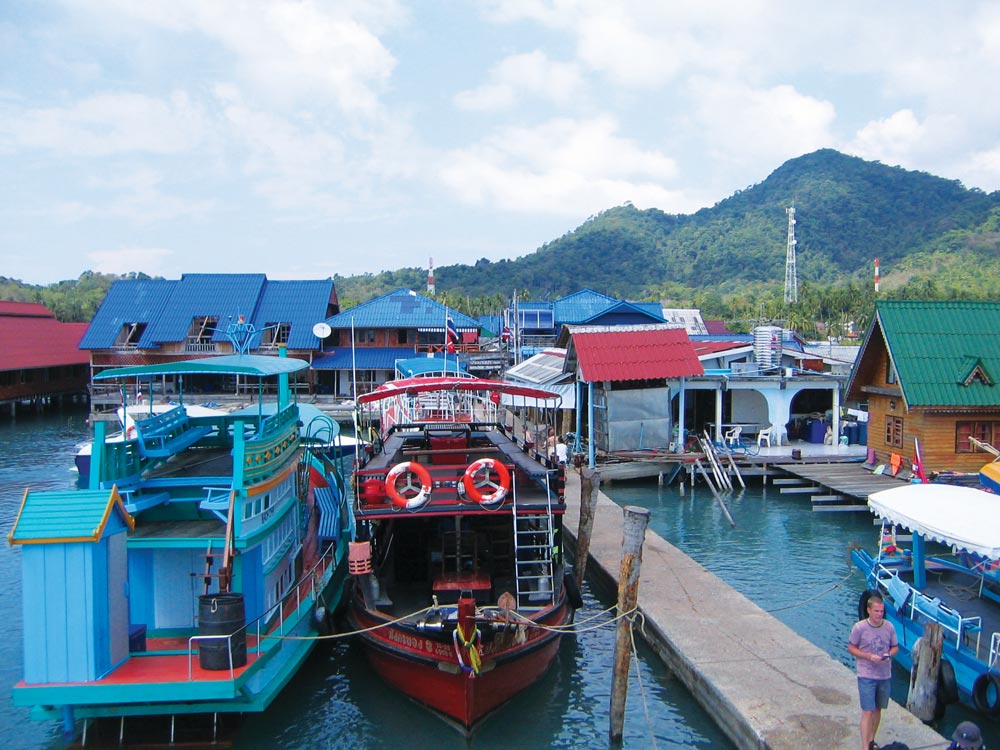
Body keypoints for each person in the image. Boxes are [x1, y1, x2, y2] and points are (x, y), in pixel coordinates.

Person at [848, 591, 898, 750]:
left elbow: (895, 647)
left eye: (881, 611)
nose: (879, 614)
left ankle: (871, 740)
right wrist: (868, 656)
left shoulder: (889, 627)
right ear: (868, 610)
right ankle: (865, 746)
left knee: (878, 709)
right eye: (876, 611)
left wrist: (889, 655)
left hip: (884, 674)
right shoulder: (859, 628)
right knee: (868, 710)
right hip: (866, 674)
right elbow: (851, 647)